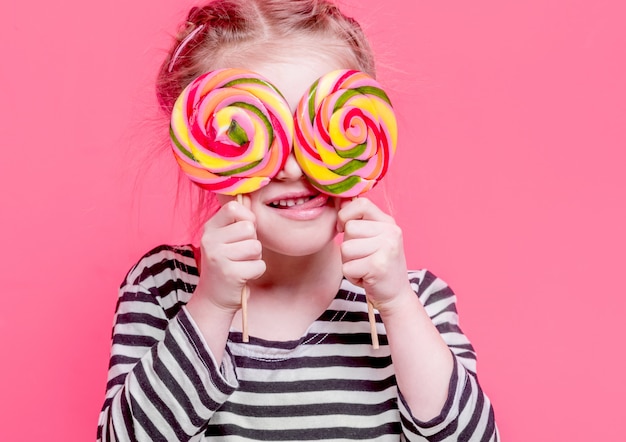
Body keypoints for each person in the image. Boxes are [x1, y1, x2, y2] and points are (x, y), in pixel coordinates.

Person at [97, 0, 499, 440]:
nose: (293, 168)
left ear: (362, 132)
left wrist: (398, 305)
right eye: (250, 132)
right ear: (204, 146)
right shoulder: (165, 287)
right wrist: (211, 305)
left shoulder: (416, 298)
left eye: (321, 132)